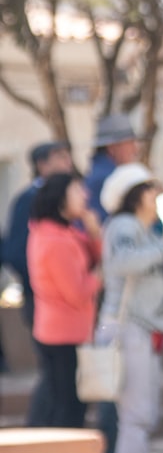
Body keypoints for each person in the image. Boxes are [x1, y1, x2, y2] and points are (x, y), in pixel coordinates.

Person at [96, 163, 163, 453]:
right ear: (135, 195)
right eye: (149, 188)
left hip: (141, 329)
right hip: (127, 329)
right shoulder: (124, 224)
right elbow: (122, 262)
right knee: (136, 413)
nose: (155, 194)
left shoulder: (143, 229)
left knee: (141, 413)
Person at [25, 172, 103, 453]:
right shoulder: (53, 239)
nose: (84, 195)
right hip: (61, 334)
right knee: (66, 409)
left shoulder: (64, 231)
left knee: (68, 405)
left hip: (68, 331)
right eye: (77, 190)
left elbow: (96, 252)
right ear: (61, 197)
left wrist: (92, 225)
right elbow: (77, 290)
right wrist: (100, 276)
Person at [82, 112, 141, 453]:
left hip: (104, 300)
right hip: (113, 304)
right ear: (117, 145)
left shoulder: (94, 178)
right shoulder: (110, 185)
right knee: (114, 384)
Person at [2, 141, 75, 381]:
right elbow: (15, 252)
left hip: (70, 298)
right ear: (41, 165)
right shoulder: (30, 200)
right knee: (56, 375)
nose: (68, 163)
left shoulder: (67, 197)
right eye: (60, 157)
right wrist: (44, 281)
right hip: (43, 298)